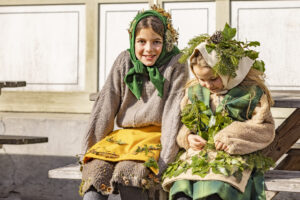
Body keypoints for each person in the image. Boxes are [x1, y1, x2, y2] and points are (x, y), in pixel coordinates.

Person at [80, 6, 188, 200]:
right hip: (123, 138)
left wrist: (165, 161)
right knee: (96, 176)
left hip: (157, 138)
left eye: (156, 42)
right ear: (133, 41)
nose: (148, 49)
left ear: (167, 41)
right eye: (141, 41)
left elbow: (173, 114)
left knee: (130, 175)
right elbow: (106, 104)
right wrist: (89, 150)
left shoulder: (176, 64)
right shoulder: (124, 60)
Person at [162, 24, 275, 200]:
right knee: (182, 189)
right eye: (201, 79)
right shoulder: (194, 93)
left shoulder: (250, 94)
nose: (208, 85)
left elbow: (265, 130)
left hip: (233, 158)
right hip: (199, 156)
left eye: (213, 79)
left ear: (228, 72)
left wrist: (232, 136)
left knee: (216, 190)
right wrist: (188, 137)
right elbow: (185, 126)